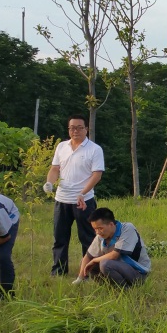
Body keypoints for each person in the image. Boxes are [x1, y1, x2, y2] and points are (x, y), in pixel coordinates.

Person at [46, 114, 105, 276]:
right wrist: (49, 183)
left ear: (86, 129)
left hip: (84, 201)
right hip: (62, 199)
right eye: (72, 128)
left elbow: (97, 175)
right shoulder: (61, 147)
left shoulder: (94, 149)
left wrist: (82, 192)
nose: (75, 131)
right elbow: (55, 169)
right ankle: (59, 271)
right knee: (60, 238)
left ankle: (90, 272)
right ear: (68, 129)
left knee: (88, 238)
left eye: (79, 128)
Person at [78, 207, 150, 287]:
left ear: (111, 224)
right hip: (118, 268)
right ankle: (109, 287)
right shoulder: (100, 236)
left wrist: (94, 260)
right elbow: (88, 256)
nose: (97, 232)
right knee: (87, 264)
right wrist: (80, 278)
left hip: (138, 273)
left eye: (100, 228)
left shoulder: (127, 228)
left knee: (105, 264)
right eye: (95, 229)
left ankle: (125, 290)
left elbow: (114, 255)